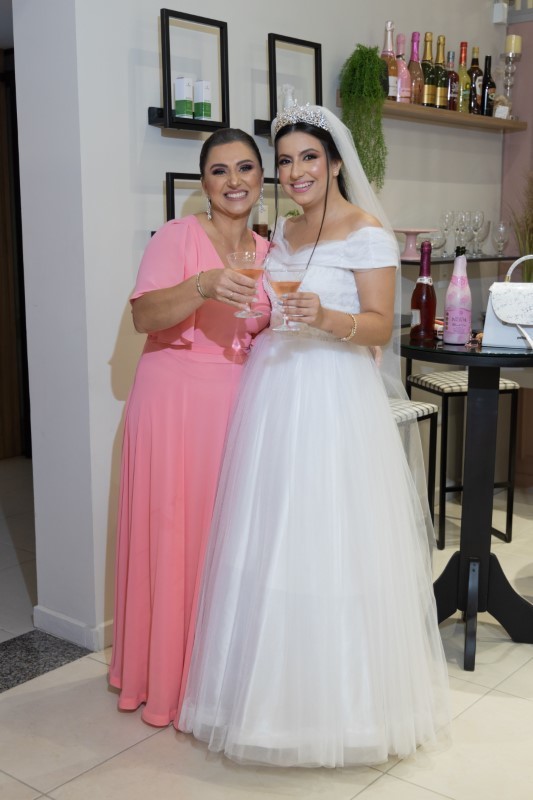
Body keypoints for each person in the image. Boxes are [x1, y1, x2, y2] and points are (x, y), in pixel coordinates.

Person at [178, 106, 451, 767]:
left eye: (308, 157)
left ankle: (345, 709)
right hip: (273, 391)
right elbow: (272, 310)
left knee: (331, 539)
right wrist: (260, 314)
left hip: (332, 395)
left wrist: (328, 317)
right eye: (286, 160)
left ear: (333, 162)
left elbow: (380, 325)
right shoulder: (283, 232)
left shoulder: (366, 233)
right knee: (270, 537)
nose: (296, 171)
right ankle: (265, 702)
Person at [109, 128, 270, 728]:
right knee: (174, 536)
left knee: (227, 543)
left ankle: (217, 683)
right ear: (204, 183)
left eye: (245, 167)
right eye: (220, 170)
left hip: (238, 407)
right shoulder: (176, 237)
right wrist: (202, 285)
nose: (234, 181)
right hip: (173, 405)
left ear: (261, 178)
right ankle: (164, 681)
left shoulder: (269, 251)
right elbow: (144, 316)